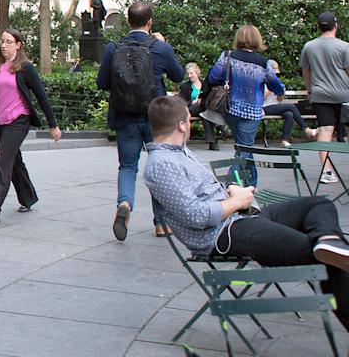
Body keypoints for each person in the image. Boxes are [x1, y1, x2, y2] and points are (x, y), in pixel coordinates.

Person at [143, 94, 349, 333]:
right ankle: (328, 250)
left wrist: (231, 193)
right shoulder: (162, 164)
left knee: (317, 205)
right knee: (320, 258)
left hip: (241, 218)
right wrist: (236, 202)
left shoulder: (179, 152)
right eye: (189, 120)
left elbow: (203, 198)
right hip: (222, 234)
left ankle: (329, 241)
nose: (190, 124)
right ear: (181, 125)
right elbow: (196, 216)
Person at [96, 0, 185, 240]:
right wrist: (165, 46)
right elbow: (178, 75)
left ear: (127, 21)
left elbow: (101, 82)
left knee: (127, 166)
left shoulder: (113, 48)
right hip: (156, 118)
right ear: (150, 21)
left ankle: (124, 204)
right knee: (158, 167)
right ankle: (161, 223)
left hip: (125, 116)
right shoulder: (160, 48)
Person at [0, 29, 62, 223]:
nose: (4, 45)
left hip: (19, 120)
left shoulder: (25, 68)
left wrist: (53, 125)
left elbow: (41, 97)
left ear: (18, 45)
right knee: (14, 160)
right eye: (2, 41)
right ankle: (28, 197)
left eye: (9, 42)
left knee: (3, 161)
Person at [206, 25, 283, 187]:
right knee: (244, 149)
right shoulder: (262, 63)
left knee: (245, 148)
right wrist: (280, 92)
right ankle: (228, 186)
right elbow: (275, 84)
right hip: (251, 113)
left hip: (230, 109)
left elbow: (213, 77)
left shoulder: (227, 56)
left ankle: (251, 185)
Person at [299, 11, 349, 185]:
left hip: (321, 95)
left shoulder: (309, 46)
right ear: (336, 25)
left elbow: (306, 71)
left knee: (325, 131)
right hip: (345, 95)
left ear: (319, 27)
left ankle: (327, 171)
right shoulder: (344, 46)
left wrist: (310, 90)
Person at [263, 59, 317, 148]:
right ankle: (306, 129)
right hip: (265, 107)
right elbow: (262, 97)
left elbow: (279, 100)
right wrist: (272, 88)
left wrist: (280, 93)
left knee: (289, 114)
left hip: (275, 106)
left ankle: (284, 140)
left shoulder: (276, 82)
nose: (275, 75)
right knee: (291, 106)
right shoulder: (264, 81)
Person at [177, 62, 218, 150]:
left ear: (197, 73)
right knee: (205, 111)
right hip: (190, 109)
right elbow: (181, 102)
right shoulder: (185, 86)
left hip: (203, 109)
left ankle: (212, 142)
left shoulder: (205, 85)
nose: (189, 75)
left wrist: (202, 101)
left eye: (191, 73)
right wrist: (192, 102)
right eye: (188, 74)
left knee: (204, 114)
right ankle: (218, 129)